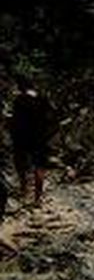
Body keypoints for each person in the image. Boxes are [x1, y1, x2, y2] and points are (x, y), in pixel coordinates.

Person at [10, 78, 55, 207]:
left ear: (21, 87)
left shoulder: (19, 100)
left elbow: (15, 120)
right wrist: (48, 135)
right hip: (40, 137)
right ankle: (38, 197)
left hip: (22, 137)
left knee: (21, 164)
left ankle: (24, 189)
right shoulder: (43, 99)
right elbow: (52, 118)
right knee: (40, 166)